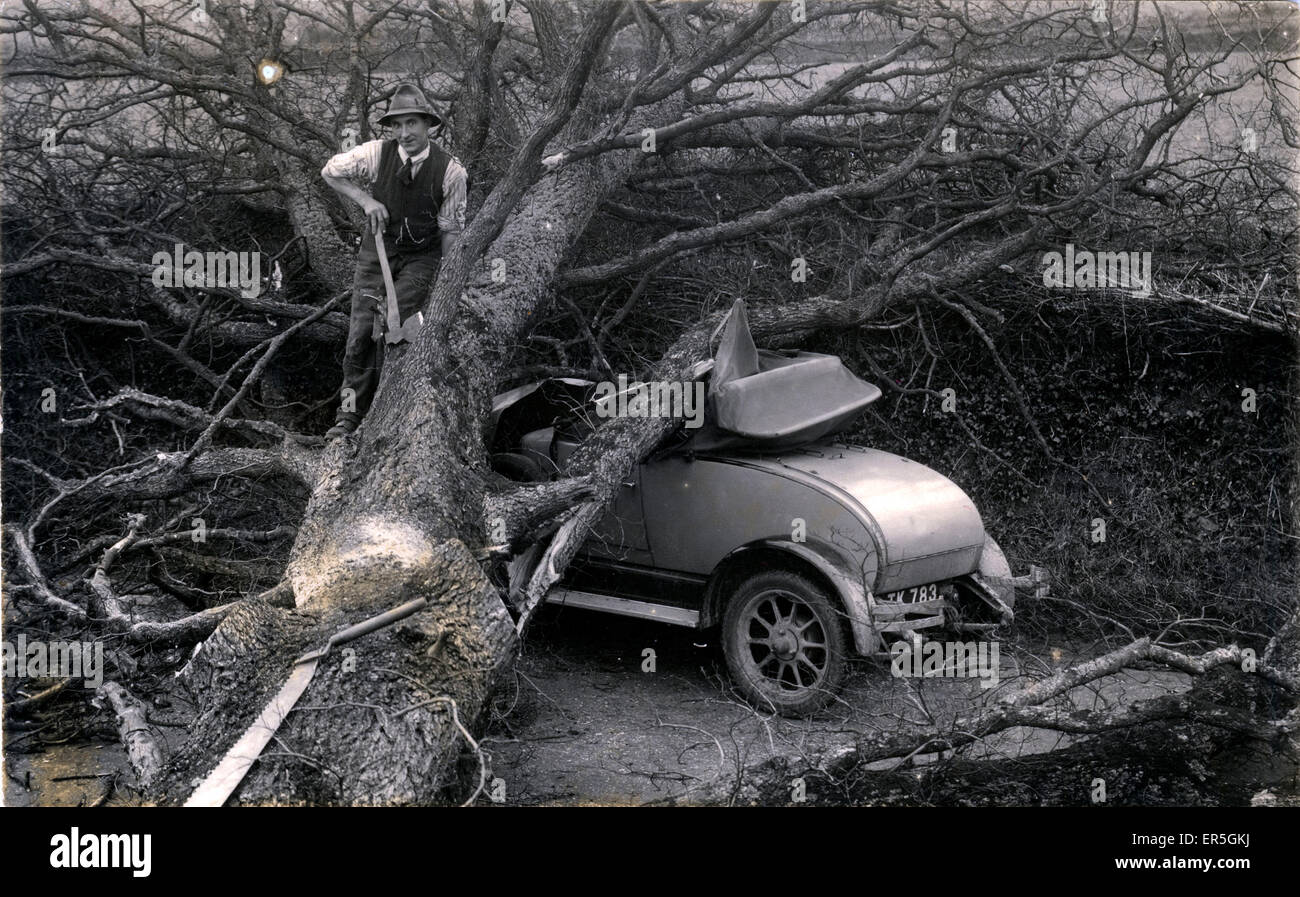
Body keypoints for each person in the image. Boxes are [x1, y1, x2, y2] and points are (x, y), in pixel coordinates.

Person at [320, 82, 467, 438]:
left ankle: (391, 414)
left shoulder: (451, 171)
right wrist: (367, 202)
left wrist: (448, 284)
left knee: (394, 326)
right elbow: (330, 171)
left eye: (412, 124)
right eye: (397, 125)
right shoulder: (376, 154)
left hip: (421, 259)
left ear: (428, 125)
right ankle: (349, 416)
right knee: (358, 337)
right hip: (377, 252)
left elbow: (451, 232)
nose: (404, 133)